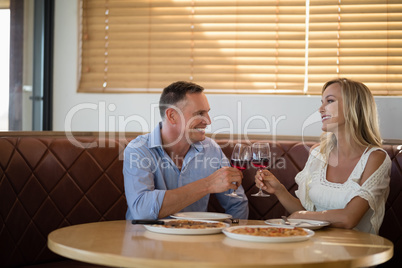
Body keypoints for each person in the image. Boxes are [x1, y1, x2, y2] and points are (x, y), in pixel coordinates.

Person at [255, 78, 391, 234]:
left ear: (353, 107)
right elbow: (307, 211)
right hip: (315, 245)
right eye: (322, 102)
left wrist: (300, 216)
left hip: (354, 250)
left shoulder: (375, 158)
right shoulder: (318, 153)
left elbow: (349, 218)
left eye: (330, 101)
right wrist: (279, 190)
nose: (320, 109)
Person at [124, 81, 249, 220]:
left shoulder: (211, 149)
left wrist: (231, 236)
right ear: (172, 116)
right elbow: (142, 211)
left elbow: (237, 203)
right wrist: (208, 184)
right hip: (147, 239)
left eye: (207, 113)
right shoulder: (139, 149)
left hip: (197, 238)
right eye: (200, 113)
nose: (208, 121)